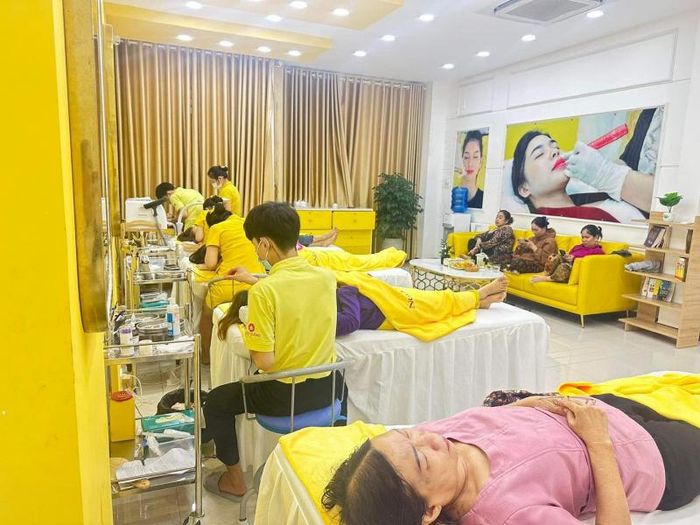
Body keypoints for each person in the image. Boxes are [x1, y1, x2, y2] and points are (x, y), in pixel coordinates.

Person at [322, 394, 700, 525]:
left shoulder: (431, 440)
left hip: (595, 409)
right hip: (651, 457)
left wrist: (526, 405)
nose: (430, 438)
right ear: (430, 511)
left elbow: (488, 423)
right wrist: (598, 442)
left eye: (407, 434)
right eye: (421, 458)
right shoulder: (507, 513)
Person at [203, 202, 340, 499]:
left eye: (255, 244)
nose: (255, 251)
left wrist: (255, 326)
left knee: (215, 401)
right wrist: (253, 281)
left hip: (284, 396)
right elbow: (292, 291)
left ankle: (235, 481)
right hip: (326, 389)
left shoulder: (264, 292)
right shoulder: (326, 278)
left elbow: (265, 362)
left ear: (265, 244)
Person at [216, 277, 508, 341]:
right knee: (437, 303)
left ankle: (478, 298)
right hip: (385, 309)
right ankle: (478, 297)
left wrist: (346, 287)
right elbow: (349, 322)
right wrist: (346, 292)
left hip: (378, 295)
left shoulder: (291, 300)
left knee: (435, 298)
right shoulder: (291, 315)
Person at [511, 131, 646, 223]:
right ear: (524, 189)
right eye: (540, 154)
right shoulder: (573, 225)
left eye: (555, 147)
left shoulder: (590, 200)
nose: (555, 152)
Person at [196, 202, 264, 360]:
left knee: (206, 314)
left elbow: (210, 263)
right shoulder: (248, 223)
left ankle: (205, 357)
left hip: (228, 282)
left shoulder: (217, 228)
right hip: (256, 280)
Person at [565, 107, 662, 216]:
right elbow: (629, 160)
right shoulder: (649, 113)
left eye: (554, 145)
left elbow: (667, 198)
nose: (555, 152)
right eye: (541, 153)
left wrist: (605, 173)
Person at [530, 224, 604, 283]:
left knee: (564, 266)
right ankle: (545, 274)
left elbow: (590, 264)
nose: (584, 240)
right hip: (564, 266)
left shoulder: (598, 251)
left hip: (573, 272)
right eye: (582, 237)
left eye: (587, 237)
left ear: (596, 237)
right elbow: (569, 255)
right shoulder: (577, 247)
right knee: (554, 256)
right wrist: (566, 257)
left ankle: (548, 278)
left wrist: (574, 259)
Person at [457, 130, 485, 208]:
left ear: (481, 162)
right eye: (466, 157)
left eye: (475, 157)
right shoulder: (452, 195)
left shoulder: (484, 199)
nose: (470, 163)